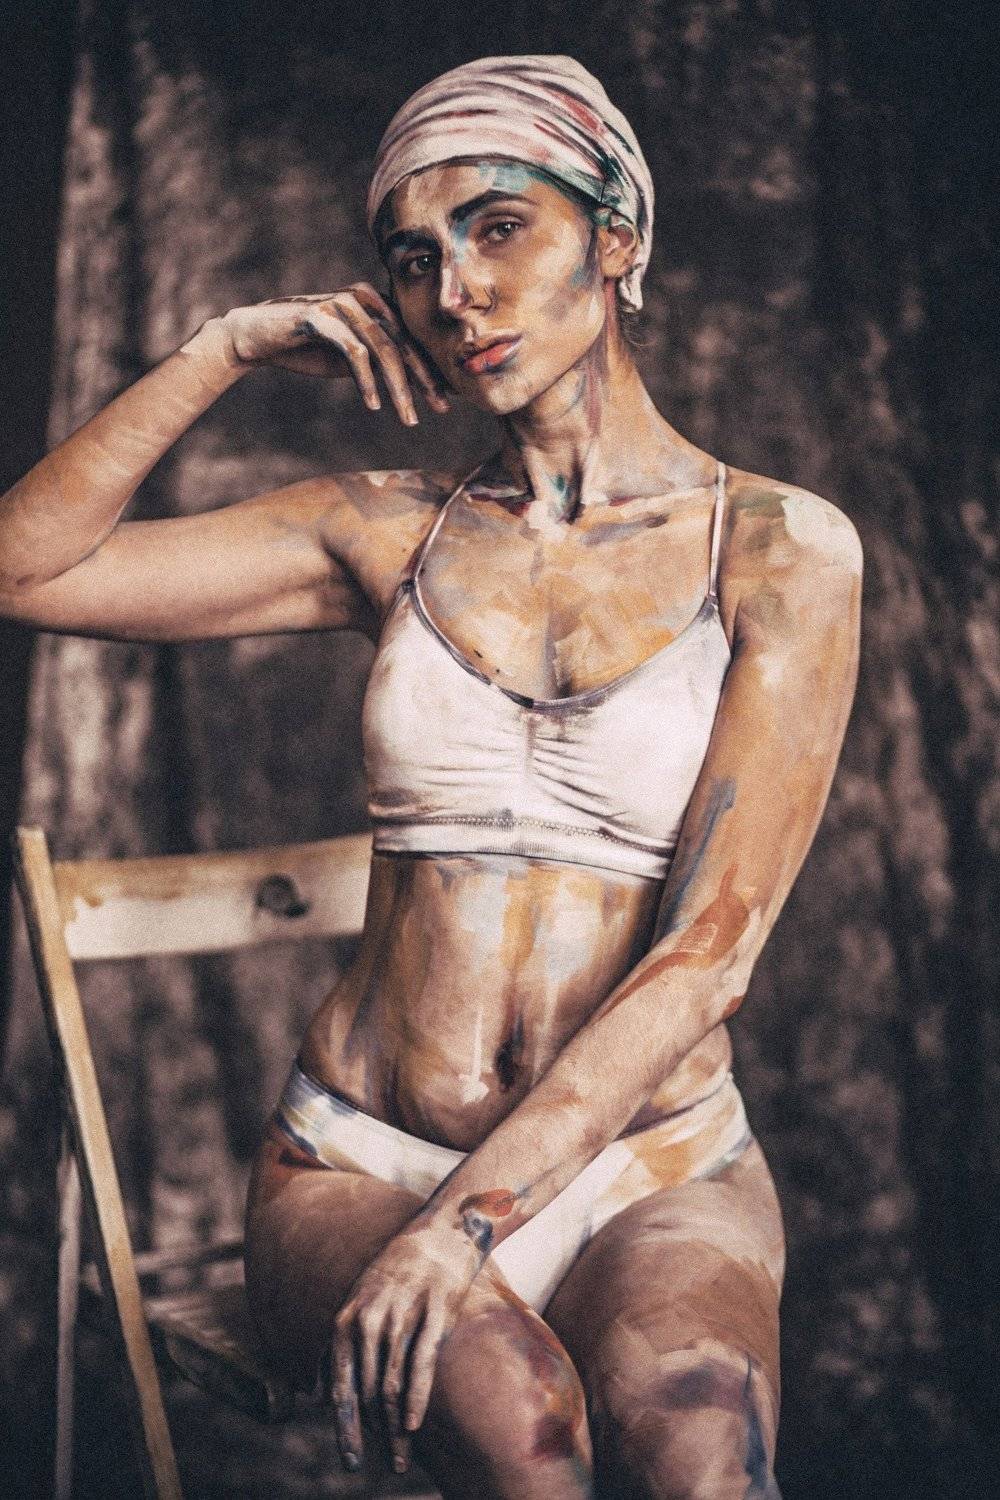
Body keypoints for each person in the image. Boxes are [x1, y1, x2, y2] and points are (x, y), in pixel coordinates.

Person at [0, 53, 861, 1500]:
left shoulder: (779, 550)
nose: (454, 290)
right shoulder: (386, 532)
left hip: (653, 1164)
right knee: (524, 1439)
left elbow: (709, 957)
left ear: (617, 239)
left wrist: (469, 1227)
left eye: (498, 227)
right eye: (413, 258)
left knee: (705, 1456)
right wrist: (221, 349)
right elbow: (22, 566)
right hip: (365, 1160)